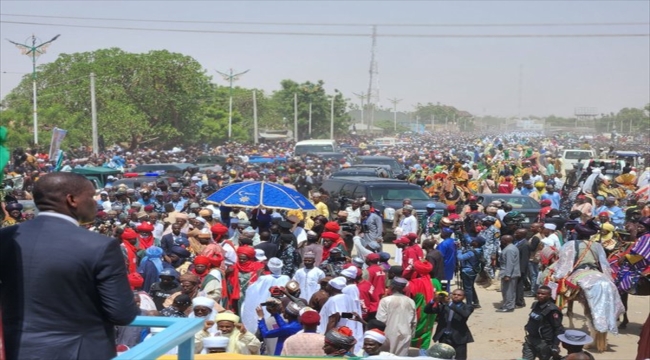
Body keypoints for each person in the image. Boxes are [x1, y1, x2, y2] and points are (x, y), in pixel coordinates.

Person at [0, 172, 139, 360]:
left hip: (16, 350)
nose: (95, 202)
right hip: (79, 352)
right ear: (72, 199)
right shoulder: (100, 246)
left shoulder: (5, 237)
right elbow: (122, 314)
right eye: (90, 196)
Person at [424, 289, 474, 360]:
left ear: (464, 297)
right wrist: (433, 301)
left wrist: (450, 304)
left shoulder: (467, 307)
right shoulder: (444, 306)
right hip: (444, 336)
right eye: (454, 294)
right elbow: (427, 311)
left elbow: (465, 314)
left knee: (460, 357)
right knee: (443, 357)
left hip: (459, 337)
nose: (456, 296)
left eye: (459, 295)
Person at [317, 277, 364, 353]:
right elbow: (344, 315)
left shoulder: (336, 299)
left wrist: (326, 339)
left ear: (331, 288)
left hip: (336, 339)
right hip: (344, 336)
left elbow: (334, 318)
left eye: (328, 285)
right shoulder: (347, 298)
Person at [376, 277, 417, 356]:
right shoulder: (411, 301)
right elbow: (413, 322)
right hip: (405, 334)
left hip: (388, 334)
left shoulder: (385, 300)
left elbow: (380, 320)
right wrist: (411, 335)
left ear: (392, 287)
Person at [522, 286, 564, 360]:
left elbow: (559, 329)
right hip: (530, 340)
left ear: (549, 295)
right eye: (538, 293)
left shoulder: (552, 310)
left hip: (544, 343)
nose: (540, 295)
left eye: (543, 294)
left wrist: (555, 346)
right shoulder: (535, 305)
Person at [498, 235, 521, 313]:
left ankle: (509, 306)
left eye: (502, 240)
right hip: (510, 273)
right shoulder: (511, 247)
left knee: (508, 291)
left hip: (509, 274)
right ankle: (508, 304)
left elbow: (510, 263)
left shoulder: (509, 249)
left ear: (505, 240)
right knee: (509, 290)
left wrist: (507, 275)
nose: (501, 241)